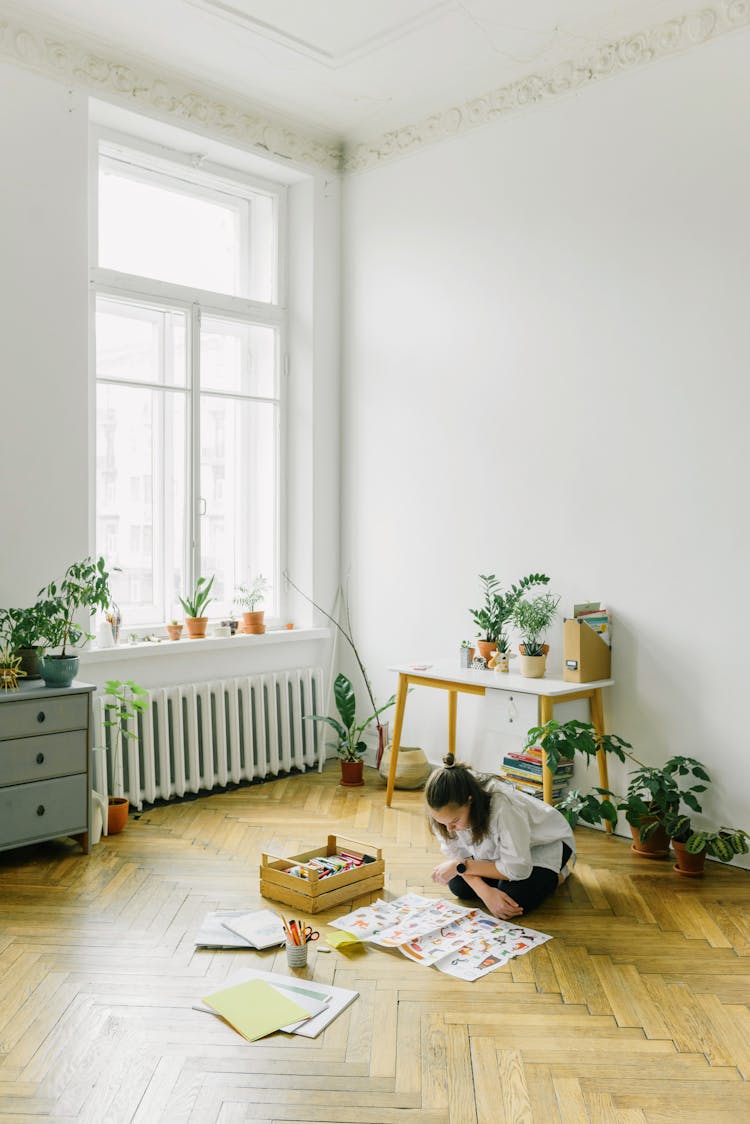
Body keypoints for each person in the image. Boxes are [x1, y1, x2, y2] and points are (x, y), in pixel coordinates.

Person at [426, 752, 575, 920]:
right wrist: (485, 893)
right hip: (505, 852)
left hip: (547, 842)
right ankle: (500, 883)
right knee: (458, 886)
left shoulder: (504, 808)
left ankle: (558, 875)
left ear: (470, 801)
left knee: (516, 897)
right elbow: (459, 857)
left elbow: (517, 869)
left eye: (455, 821)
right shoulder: (441, 812)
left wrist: (460, 866)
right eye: (442, 823)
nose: (450, 829)